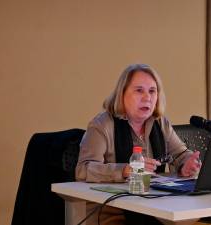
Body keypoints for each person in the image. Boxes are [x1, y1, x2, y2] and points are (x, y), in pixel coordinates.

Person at [75, 63, 201, 225]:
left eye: (152, 91)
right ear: (122, 94)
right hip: (111, 210)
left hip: (155, 207)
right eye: (139, 90)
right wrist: (126, 170)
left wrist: (187, 163)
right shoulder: (102, 125)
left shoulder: (160, 123)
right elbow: (83, 170)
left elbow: (181, 154)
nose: (147, 97)